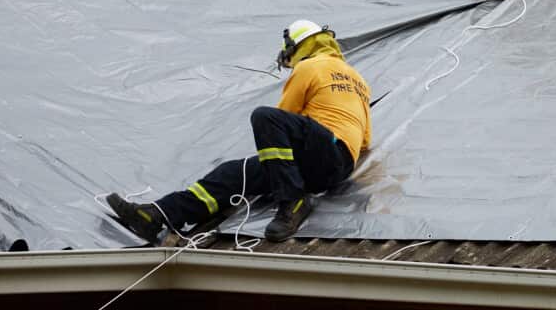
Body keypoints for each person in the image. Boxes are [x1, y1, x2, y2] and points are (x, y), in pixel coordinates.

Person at [104, 19, 371, 243]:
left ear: (297, 47)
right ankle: (156, 215)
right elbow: (365, 142)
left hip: (325, 149)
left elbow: (284, 116)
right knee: (233, 173)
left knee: (265, 117)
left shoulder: (310, 66)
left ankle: (293, 201)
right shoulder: (359, 81)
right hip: (335, 162)